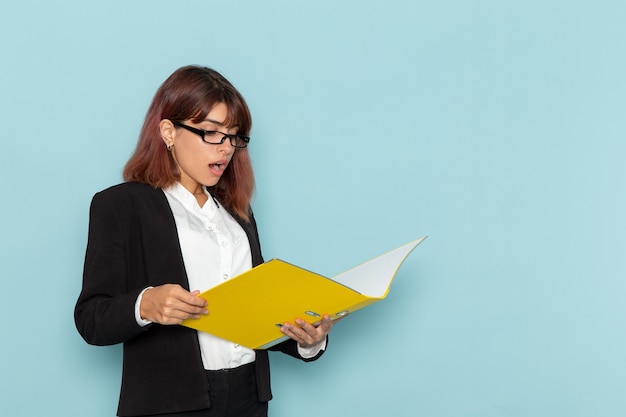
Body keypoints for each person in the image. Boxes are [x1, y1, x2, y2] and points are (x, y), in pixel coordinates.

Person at [74, 65, 333, 417]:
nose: (226, 149)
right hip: (171, 403)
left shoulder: (238, 213)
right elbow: (91, 318)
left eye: (234, 136)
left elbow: (252, 314)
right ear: (168, 131)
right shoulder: (121, 205)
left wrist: (307, 341)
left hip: (249, 398)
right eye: (211, 133)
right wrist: (145, 304)